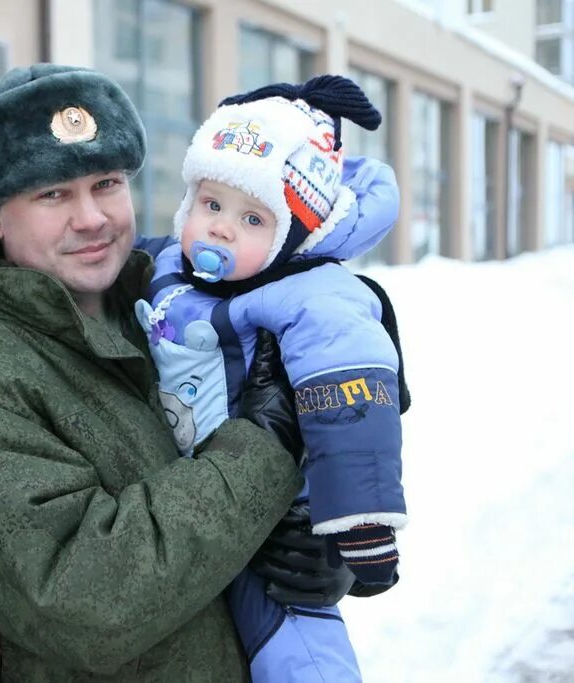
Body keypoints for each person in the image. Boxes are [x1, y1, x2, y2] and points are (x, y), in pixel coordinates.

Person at [0, 64, 380, 682]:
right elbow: (88, 599)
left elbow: (342, 393)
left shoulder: (182, 298)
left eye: (105, 183)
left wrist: (328, 542)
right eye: (52, 194)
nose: (92, 218)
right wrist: (266, 447)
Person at [137, 75, 408, 681]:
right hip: (194, 501)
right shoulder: (163, 264)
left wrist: (359, 528)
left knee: (294, 647)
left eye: (253, 218)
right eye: (210, 204)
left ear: (294, 236)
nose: (221, 229)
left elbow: (352, 405)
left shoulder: (315, 296)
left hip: (284, 517)